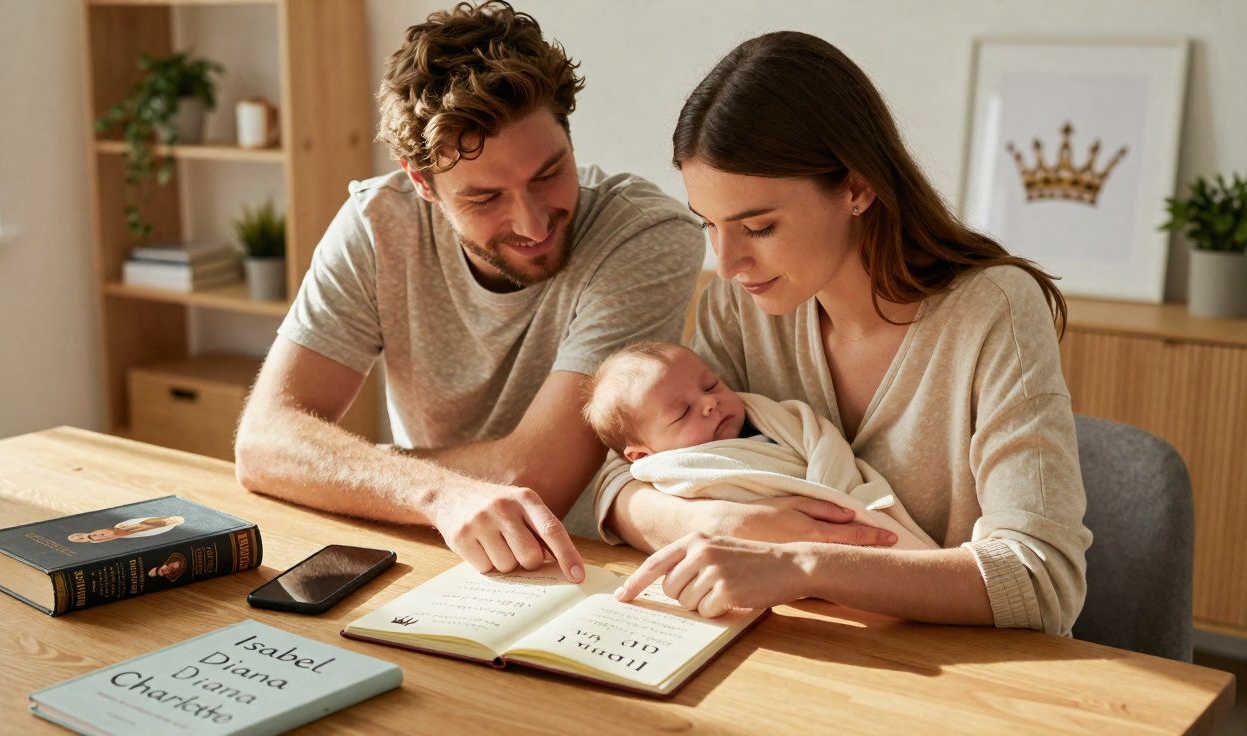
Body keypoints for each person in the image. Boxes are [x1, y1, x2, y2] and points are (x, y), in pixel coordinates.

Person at [601, 32, 1092, 636]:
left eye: (757, 227)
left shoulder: (994, 312)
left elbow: (1040, 580)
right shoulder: (740, 306)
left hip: (960, 678)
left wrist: (806, 563)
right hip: (813, 651)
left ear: (856, 189)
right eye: (710, 225)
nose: (727, 264)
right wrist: (730, 528)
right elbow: (625, 475)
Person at [233, 1, 704, 584]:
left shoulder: (645, 235)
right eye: (485, 199)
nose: (532, 224)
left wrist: (348, 468)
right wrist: (438, 495)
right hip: (431, 549)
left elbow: (535, 477)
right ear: (420, 181)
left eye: (549, 174)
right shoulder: (379, 224)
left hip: (595, 565)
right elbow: (263, 444)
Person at [582, 341, 937, 550]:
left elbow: (821, 440)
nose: (709, 403)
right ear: (644, 455)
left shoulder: (771, 419)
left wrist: (837, 493)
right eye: (683, 412)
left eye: (711, 385)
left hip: (849, 516)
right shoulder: (677, 473)